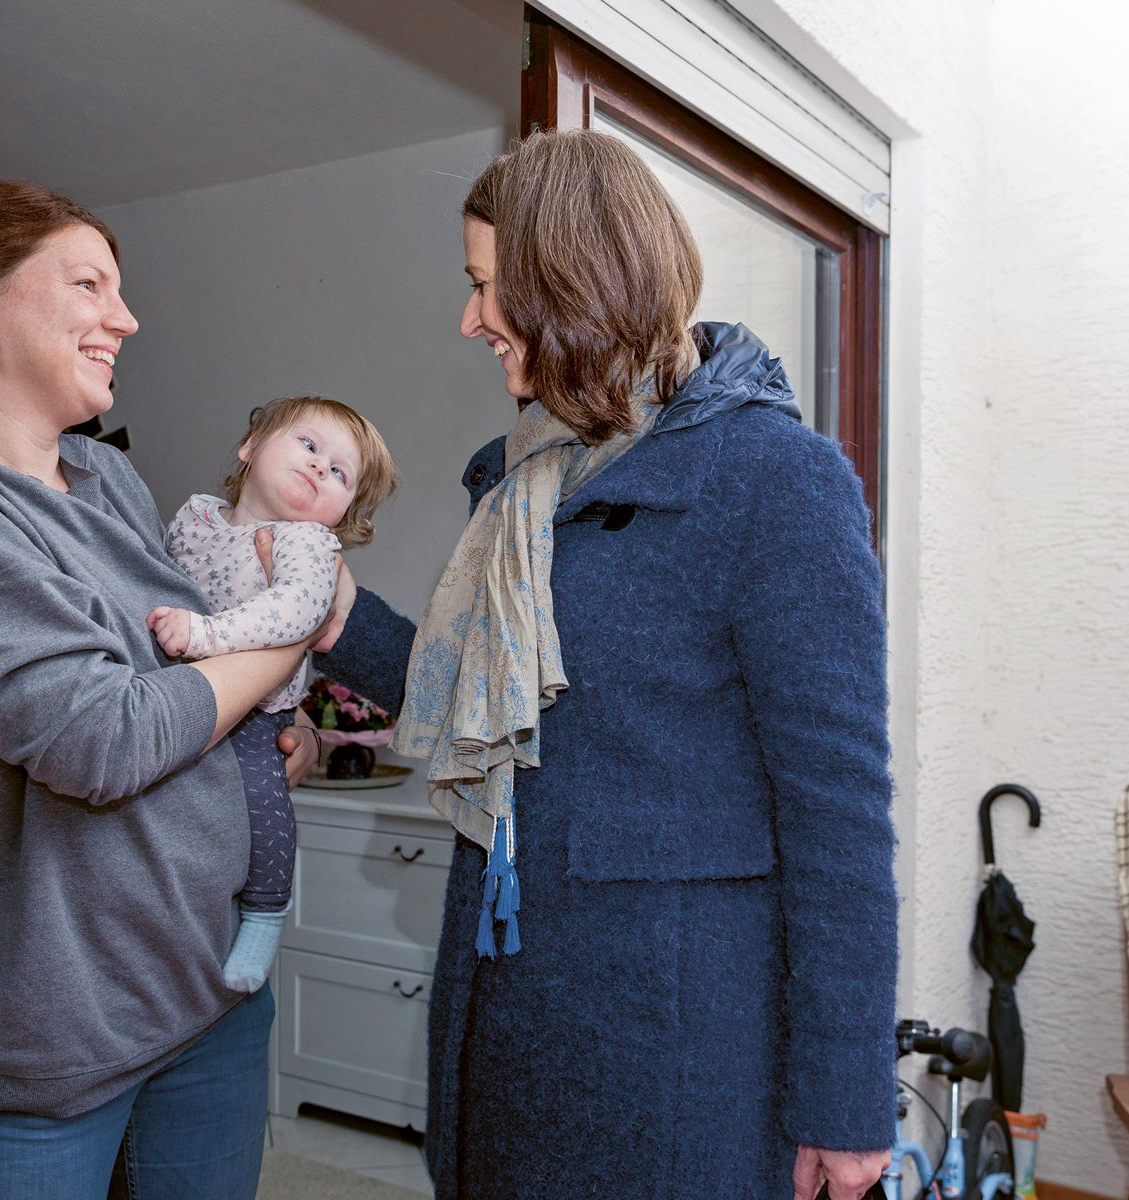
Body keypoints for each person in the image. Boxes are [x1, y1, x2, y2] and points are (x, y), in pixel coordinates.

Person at [312, 129, 897, 1199]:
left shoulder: (775, 479)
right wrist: (333, 610)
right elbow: (481, 698)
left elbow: (839, 813)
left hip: (674, 1044)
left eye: (487, 287)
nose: (470, 320)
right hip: (506, 1001)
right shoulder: (520, 483)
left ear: (567, 280)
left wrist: (845, 1096)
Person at [0, 177, 328, 1199]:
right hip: (40, 1033)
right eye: (90, 283)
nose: (125, 318)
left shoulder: (108, 483)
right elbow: (99, 739)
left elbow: (180, 673)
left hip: (208, 992)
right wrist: (291, 634)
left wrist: (273, 727)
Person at [149, 395, 397, 992]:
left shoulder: (308, 544)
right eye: (309, 446)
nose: (320, 467)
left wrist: (204, 635)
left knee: (265, 809)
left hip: (258, 715)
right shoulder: (197, 517)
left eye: (340, 473)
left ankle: (265, 914)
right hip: (175, 695)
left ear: (341, 513)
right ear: (250, 447)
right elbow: (151, 574)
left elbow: (294, 615)